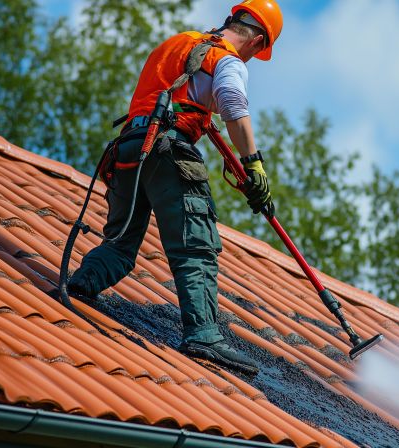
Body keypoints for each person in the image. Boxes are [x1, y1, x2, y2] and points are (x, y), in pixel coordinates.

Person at [68, 0, 283, 374]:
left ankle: (80, 285)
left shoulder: (177, 44)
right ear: (258, 41)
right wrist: (254, 164)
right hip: (168, 151)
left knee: (120, 243)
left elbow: (175, 96)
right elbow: (233, 104)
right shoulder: (227, 60)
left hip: (129, 150)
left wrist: (202, 113)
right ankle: (203, 334)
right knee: (195, 246)